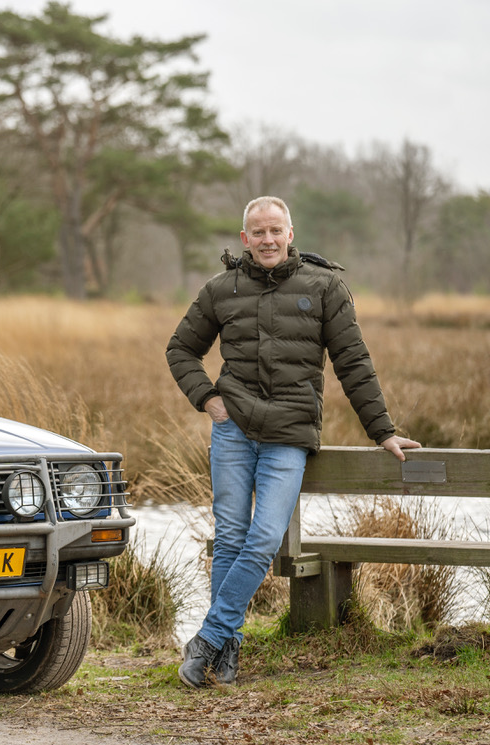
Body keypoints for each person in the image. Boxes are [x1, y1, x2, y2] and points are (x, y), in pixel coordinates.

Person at [165, 195, 420, 688]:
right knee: (231, 540)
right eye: (257, 232)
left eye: (274, 231)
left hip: (289, 434)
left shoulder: (325, 287)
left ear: (290, 233)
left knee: (261, 540)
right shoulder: (221, 289)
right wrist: (207, 399)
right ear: (245, 239)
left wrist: (382, 430)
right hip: (233, 431)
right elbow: (180, 349)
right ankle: (225, 653)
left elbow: (353, 362)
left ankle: (209, 638)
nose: (266, 240)